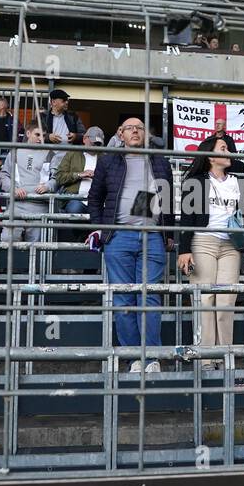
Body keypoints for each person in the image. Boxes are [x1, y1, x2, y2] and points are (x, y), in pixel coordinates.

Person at [86, 116, 174, 371]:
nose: (135, 131)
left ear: (146, 134)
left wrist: (168, 233)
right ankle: (133, 357)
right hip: (118, 236)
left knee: (150, 298)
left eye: (140, 128)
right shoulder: (108, 160)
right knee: (124, 299)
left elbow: (167, 199)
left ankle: (152, 357)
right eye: (130, 128)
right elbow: (94, 199)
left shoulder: (160, 161)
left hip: (152, 235)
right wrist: (102, 230)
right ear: (120, 133)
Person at [177, 137, 244, 364]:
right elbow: (187, 218)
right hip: (203, 242)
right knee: (204, 300)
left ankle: (224, 355)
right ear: (211, 157)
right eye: (223, 149)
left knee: (226, 301)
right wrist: (184, 249)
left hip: (231, 246)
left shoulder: (237, 182)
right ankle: (205, 358)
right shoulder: (195, 181)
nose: (229, 152)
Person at [0, 125, 54, 243]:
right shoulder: (15, 151)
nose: (41, 139)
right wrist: (13, 188)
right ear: (28, 133)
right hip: (16, 205)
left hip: (40, 206)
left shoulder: (50, 153)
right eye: (37, 135)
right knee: (8, 239)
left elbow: (56, 178)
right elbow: (4, 175)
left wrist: (47, 186)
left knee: (37, 245)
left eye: (43, 136)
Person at [53, 126, 105, 214]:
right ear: (84, 139)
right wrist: (79, 175)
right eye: (93, 143)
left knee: (107, 213)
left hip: (98, 201)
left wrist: (99, 178)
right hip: (76, 199)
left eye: (98, 144)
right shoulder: (72, 153)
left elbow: (112, 181)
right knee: (75, 209)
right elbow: (59, 177)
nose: (96, 146)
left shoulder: (104, 157)